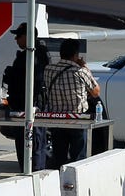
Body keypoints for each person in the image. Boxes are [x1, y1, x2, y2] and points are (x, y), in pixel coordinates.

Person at [42, 38, 100, 169]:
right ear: (76, 55)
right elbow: (96, 92)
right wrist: (84, 66)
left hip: (57, 120)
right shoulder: (80, 71)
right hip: (77, 119)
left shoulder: (48, 69)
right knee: (78, 159)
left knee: (59, 158)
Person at [2, 23, 50, 171]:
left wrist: (11, 74)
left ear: (27, 37)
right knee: (28, 144)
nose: (16, 39)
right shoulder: (31, 54)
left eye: (19, 36)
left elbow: (34, 81)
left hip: (30, 106)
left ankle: (33, 174)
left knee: (32, 145)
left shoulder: (34, 56)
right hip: (24, 106)